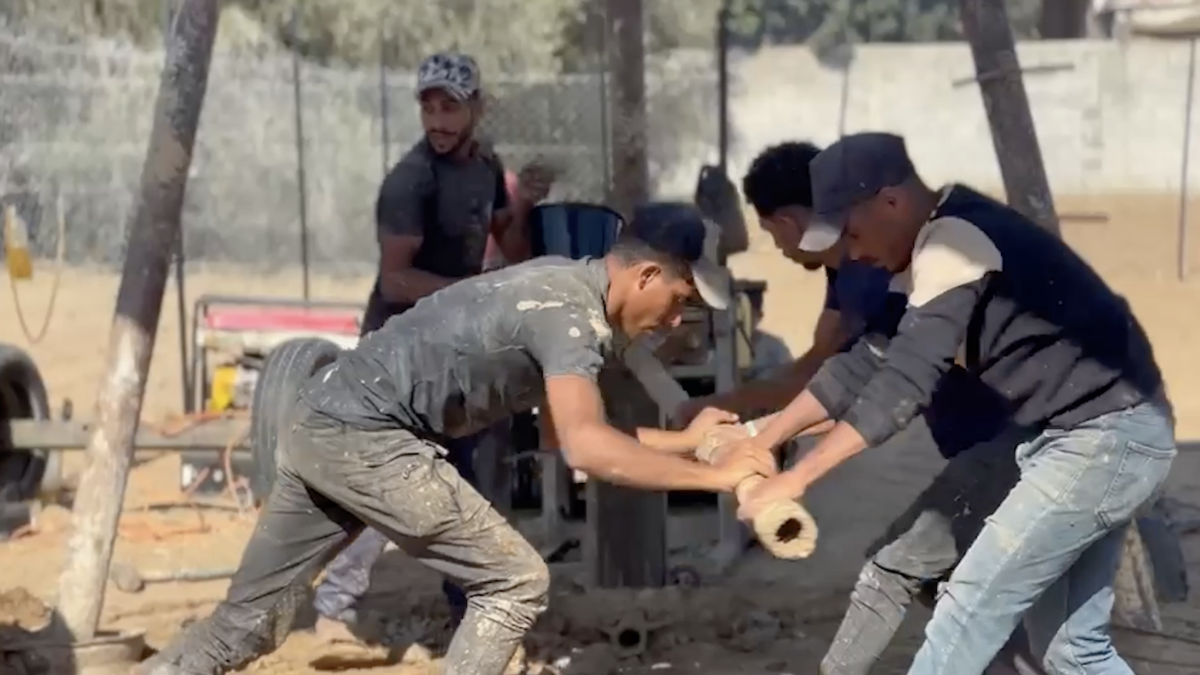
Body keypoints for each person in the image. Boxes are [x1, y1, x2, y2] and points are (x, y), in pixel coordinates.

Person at [136, 204, 776, 675]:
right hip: (372, 440)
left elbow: (562, 433)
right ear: (645, 275)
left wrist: (686, 441)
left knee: (242, 627)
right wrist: (716, 477)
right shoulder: (570, 319)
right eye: (679, 299)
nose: (674, 319)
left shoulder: (561, 285)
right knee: (515, 581)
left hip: (320, 422)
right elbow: (586, 450)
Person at [730, 132, 1176, 675]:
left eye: (853, 233)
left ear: (891, 202)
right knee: (1071, 651)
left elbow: (902, 385)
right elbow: (861, 364)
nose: (854, 254)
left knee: (967, 607)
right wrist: (765, 439)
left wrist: (795, 478)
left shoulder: (953, 244)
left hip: (1103, 438)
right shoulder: (922, 256)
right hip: (1084, 436)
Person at [678, 141, 1044, 675]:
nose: (778, 248)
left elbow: (861, 384)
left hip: (1003, 440)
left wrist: (737, 424)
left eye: (773, 233)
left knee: (904, 571)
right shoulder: (848, 269)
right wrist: (759, 433)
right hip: (977, 441)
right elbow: (836, 377)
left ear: (787, 221)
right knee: (962, 592)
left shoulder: (873, 270)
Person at [311, 52, 554, 641]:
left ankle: (471, 612)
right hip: (398, 351)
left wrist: (525, 205)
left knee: (468, 479)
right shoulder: (410, 181)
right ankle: (335, 609)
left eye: (451, 108)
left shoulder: (485, 165)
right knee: (398, 480)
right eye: (430, 108)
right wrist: (472, 292)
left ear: (477, 108)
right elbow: (396, 280)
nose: (439, 121)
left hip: (453, 347)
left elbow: (510, 242)